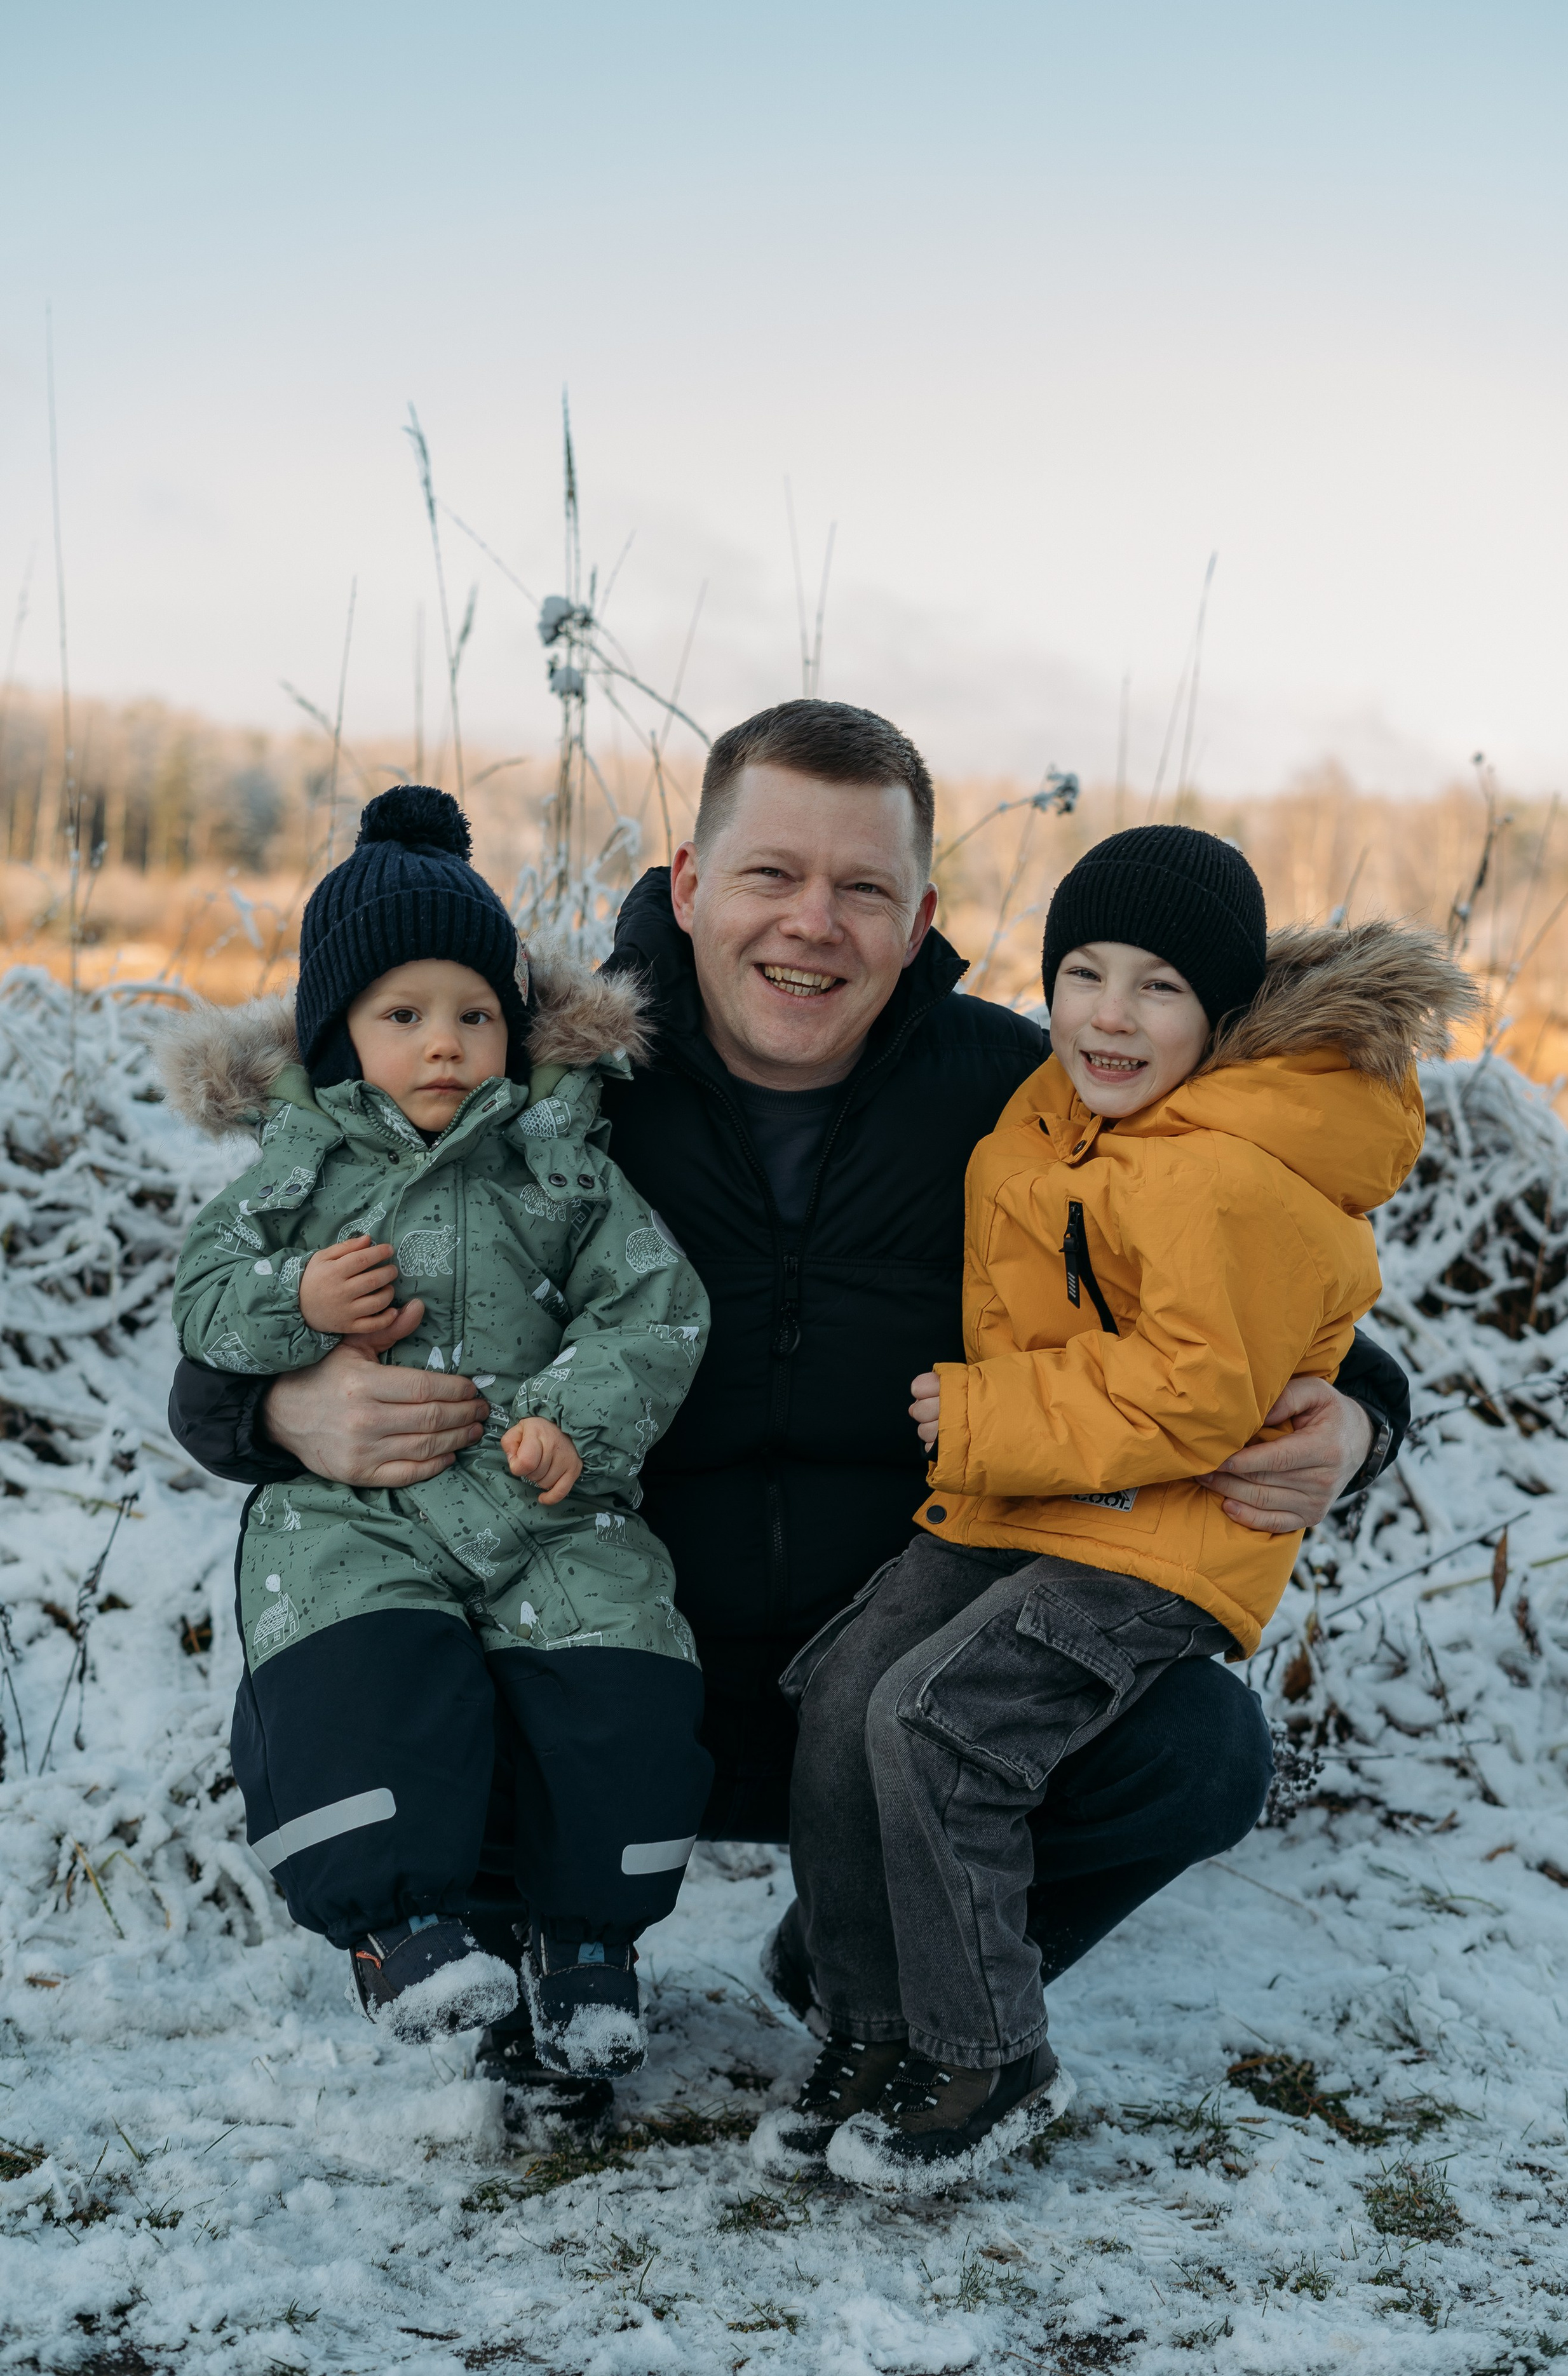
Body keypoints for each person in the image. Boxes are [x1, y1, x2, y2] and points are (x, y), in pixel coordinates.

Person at [165, 703, 1411, 2117]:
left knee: (1194, 1752)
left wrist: (1358, 1418)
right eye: (770, 876)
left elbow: (1263, 1278)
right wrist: (280, 1416)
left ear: (920, 914)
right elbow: (238, 1328)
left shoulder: (1030, 1101)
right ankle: (520, 1964)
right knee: (395, 1643)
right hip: (604, 1657)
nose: (811, 924)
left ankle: (869, 1963)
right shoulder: (544, 1092)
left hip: (888, 1689)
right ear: (688, 885)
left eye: (861, 888)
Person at [755, 825, 1472, 2192]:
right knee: (847, 1687)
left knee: (935, 1714)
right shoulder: (1053, 1107)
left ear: (1222, 1013)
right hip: (1027, 1500)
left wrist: (981, 1418)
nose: (1107, 1012)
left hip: (1156, 1529)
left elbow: (1206, 1394)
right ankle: (864, 2028)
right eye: (1081, 972)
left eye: (1156, 987)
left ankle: (987, 2052)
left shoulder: (1222, 1167)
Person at [161, 785, 712, 2074]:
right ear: (340, 1035)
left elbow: (653, 1302)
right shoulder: (293, 1171)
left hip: (534, 1489)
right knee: (364, 1668)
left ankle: (590, 1946)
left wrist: (575, 1420)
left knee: (614, 1656)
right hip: (355, 1503)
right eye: (402, 1016)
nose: (445, 1044)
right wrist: (293, 1306)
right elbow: (201, 1302)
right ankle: (399, 1933)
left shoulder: (560, 1159)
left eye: (474, 1014)